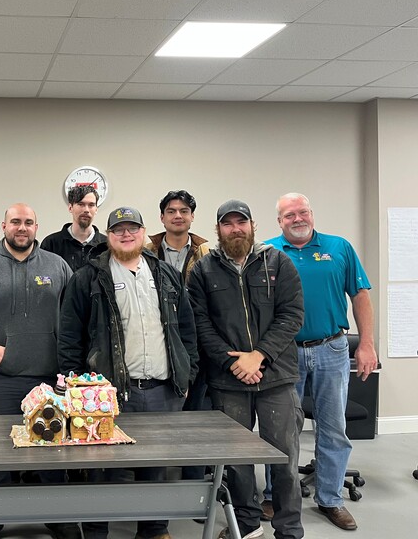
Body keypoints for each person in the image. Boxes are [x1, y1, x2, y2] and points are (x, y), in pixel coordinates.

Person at [59, 206, 198, 539]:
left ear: (143, 232)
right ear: (109, 236)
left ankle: (153, 529)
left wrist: (187, 373)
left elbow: (187, 330)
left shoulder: (165, 275)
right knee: (102, 470)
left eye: (132, 228)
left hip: (163, 391)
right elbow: (68, 337)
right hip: (106, 394)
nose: (125, 234)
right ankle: (96, 532)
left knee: (156, 466)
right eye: (118, 229)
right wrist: (76, 388)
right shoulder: (87, 278)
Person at [0, 203, 79, 539]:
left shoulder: (58, 266)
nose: (21, 228)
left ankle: (58, 516)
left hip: (49, 379)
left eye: (28, 222)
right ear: (4, 226)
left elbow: (72, 318)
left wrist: (68, 365)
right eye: (15, 222)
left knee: (54, 451)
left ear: (37, 227)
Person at [187, 199, 305, 539]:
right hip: (228, 380)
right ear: (218, 229)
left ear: (253, 225)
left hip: (276, 378)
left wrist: (260, 355)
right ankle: (248, 525)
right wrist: (233, 360)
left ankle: (289, 530)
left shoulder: (278, 262)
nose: (235, 229)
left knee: (284, 460)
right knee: (236, 462)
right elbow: (200, 323)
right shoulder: (204, 270)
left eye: (242, 222)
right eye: (228, 224)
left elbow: (292, 314)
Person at [262, 192, 378, 532]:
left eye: (302, 212)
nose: (297, 219)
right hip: (284, 353)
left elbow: (360, 296)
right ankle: (276, 495)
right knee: (281, 429)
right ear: (279, 221)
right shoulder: (267, 252)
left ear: (311, 214)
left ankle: (330, 498)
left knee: (333, 427)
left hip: (332, 349)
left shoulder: (339, 247)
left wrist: (367, 344)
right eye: (288, 215)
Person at [145, 189, 211, 482]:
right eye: (171, 211)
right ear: (162, 217)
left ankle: (193, 482)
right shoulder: (145, 251)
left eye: (184, 211)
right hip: (157, 343)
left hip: (194, 340)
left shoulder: (207, 253)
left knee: (195, 415)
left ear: (192, 217)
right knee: (156, 417)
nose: (177, 216)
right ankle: (149, 479)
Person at [40, 185, 106, 271]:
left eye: (91, 205)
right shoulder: (51, 244)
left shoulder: (107, 245)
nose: (86, 210)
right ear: (70, 207)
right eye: (81, 204)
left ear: (96, 209)